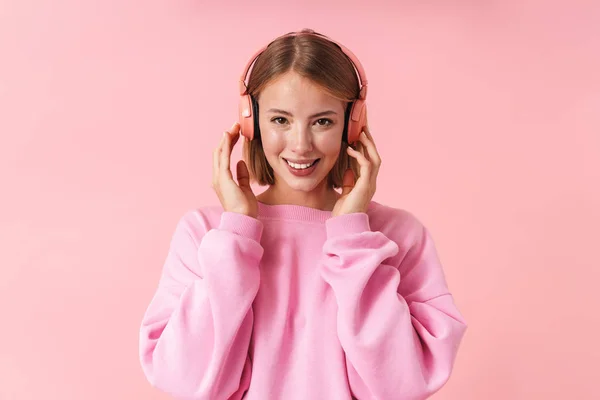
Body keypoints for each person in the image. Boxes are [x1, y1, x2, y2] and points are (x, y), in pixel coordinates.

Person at [138, 29, 467, 400]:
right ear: (251, 123)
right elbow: (185, 379)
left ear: (352, 125)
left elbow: (401, 385)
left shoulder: (399, 235)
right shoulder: (206, 233)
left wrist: (352, 239)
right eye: (280, 120)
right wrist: (236, 235)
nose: (300, 144)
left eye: (322, 121)